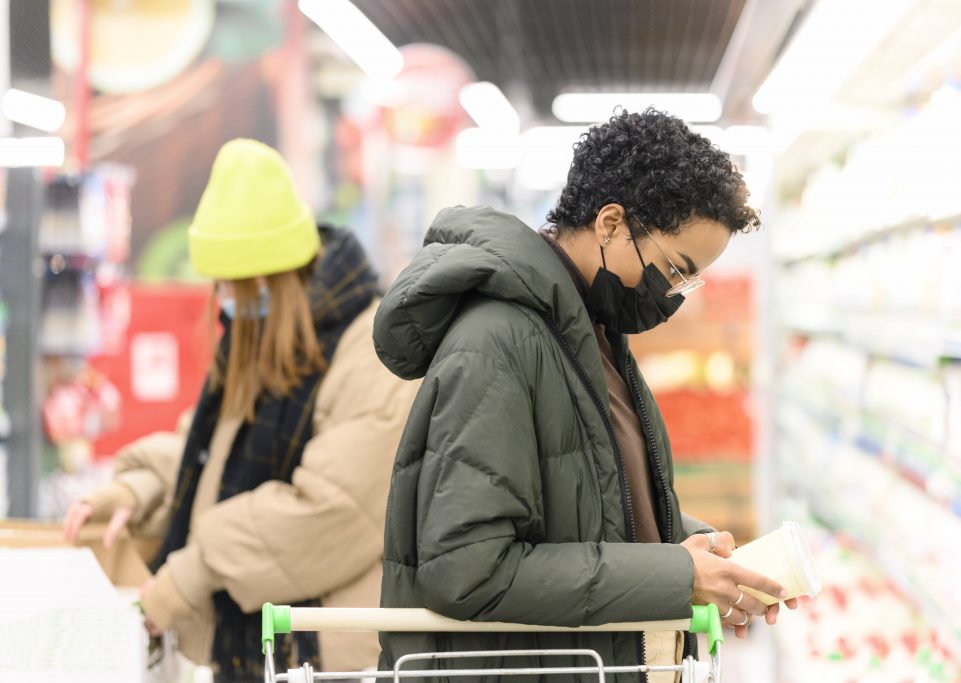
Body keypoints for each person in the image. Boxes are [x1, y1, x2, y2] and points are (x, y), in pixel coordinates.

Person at [372, 109, 798, 681]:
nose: (673, 295)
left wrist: (689, 543)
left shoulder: (590, 333)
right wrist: (677, 575)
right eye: (675, 269)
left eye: (687, 282)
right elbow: (466, 568)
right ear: (611, 223)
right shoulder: (496, 342)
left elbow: (586, 499)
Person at [64, 139, 418, 681]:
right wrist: (139, 489)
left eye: (237, 283)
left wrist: (196, 568)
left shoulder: (373, 356)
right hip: (262, 651)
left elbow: (332, 511)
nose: (226, 297)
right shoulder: (266, 340)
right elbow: (207, 450)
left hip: (326, 660)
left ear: (276, 277)